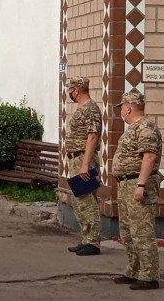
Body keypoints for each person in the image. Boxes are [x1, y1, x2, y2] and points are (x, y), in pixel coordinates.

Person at [112, 91, 162, 290]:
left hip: (138, 184)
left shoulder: (146, 127)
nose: (121, 111)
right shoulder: (134, 127)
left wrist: (140, 185)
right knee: (128, 230)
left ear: (129, 107)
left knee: (142, 231)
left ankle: (149, 276)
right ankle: (134, 270)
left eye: (122, 108)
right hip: (125, 184)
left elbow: (149, 157)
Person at [65, 77, 102, 256]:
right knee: (79, 201)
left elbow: (93, 136)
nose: (69, 93)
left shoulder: (91, 109)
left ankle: (93, 242)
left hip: (82, 160)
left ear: (77, 90)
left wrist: (85, 165)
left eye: (70, 90)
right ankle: (86, 239)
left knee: (86, 201)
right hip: (76, 159)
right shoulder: (83, 109)